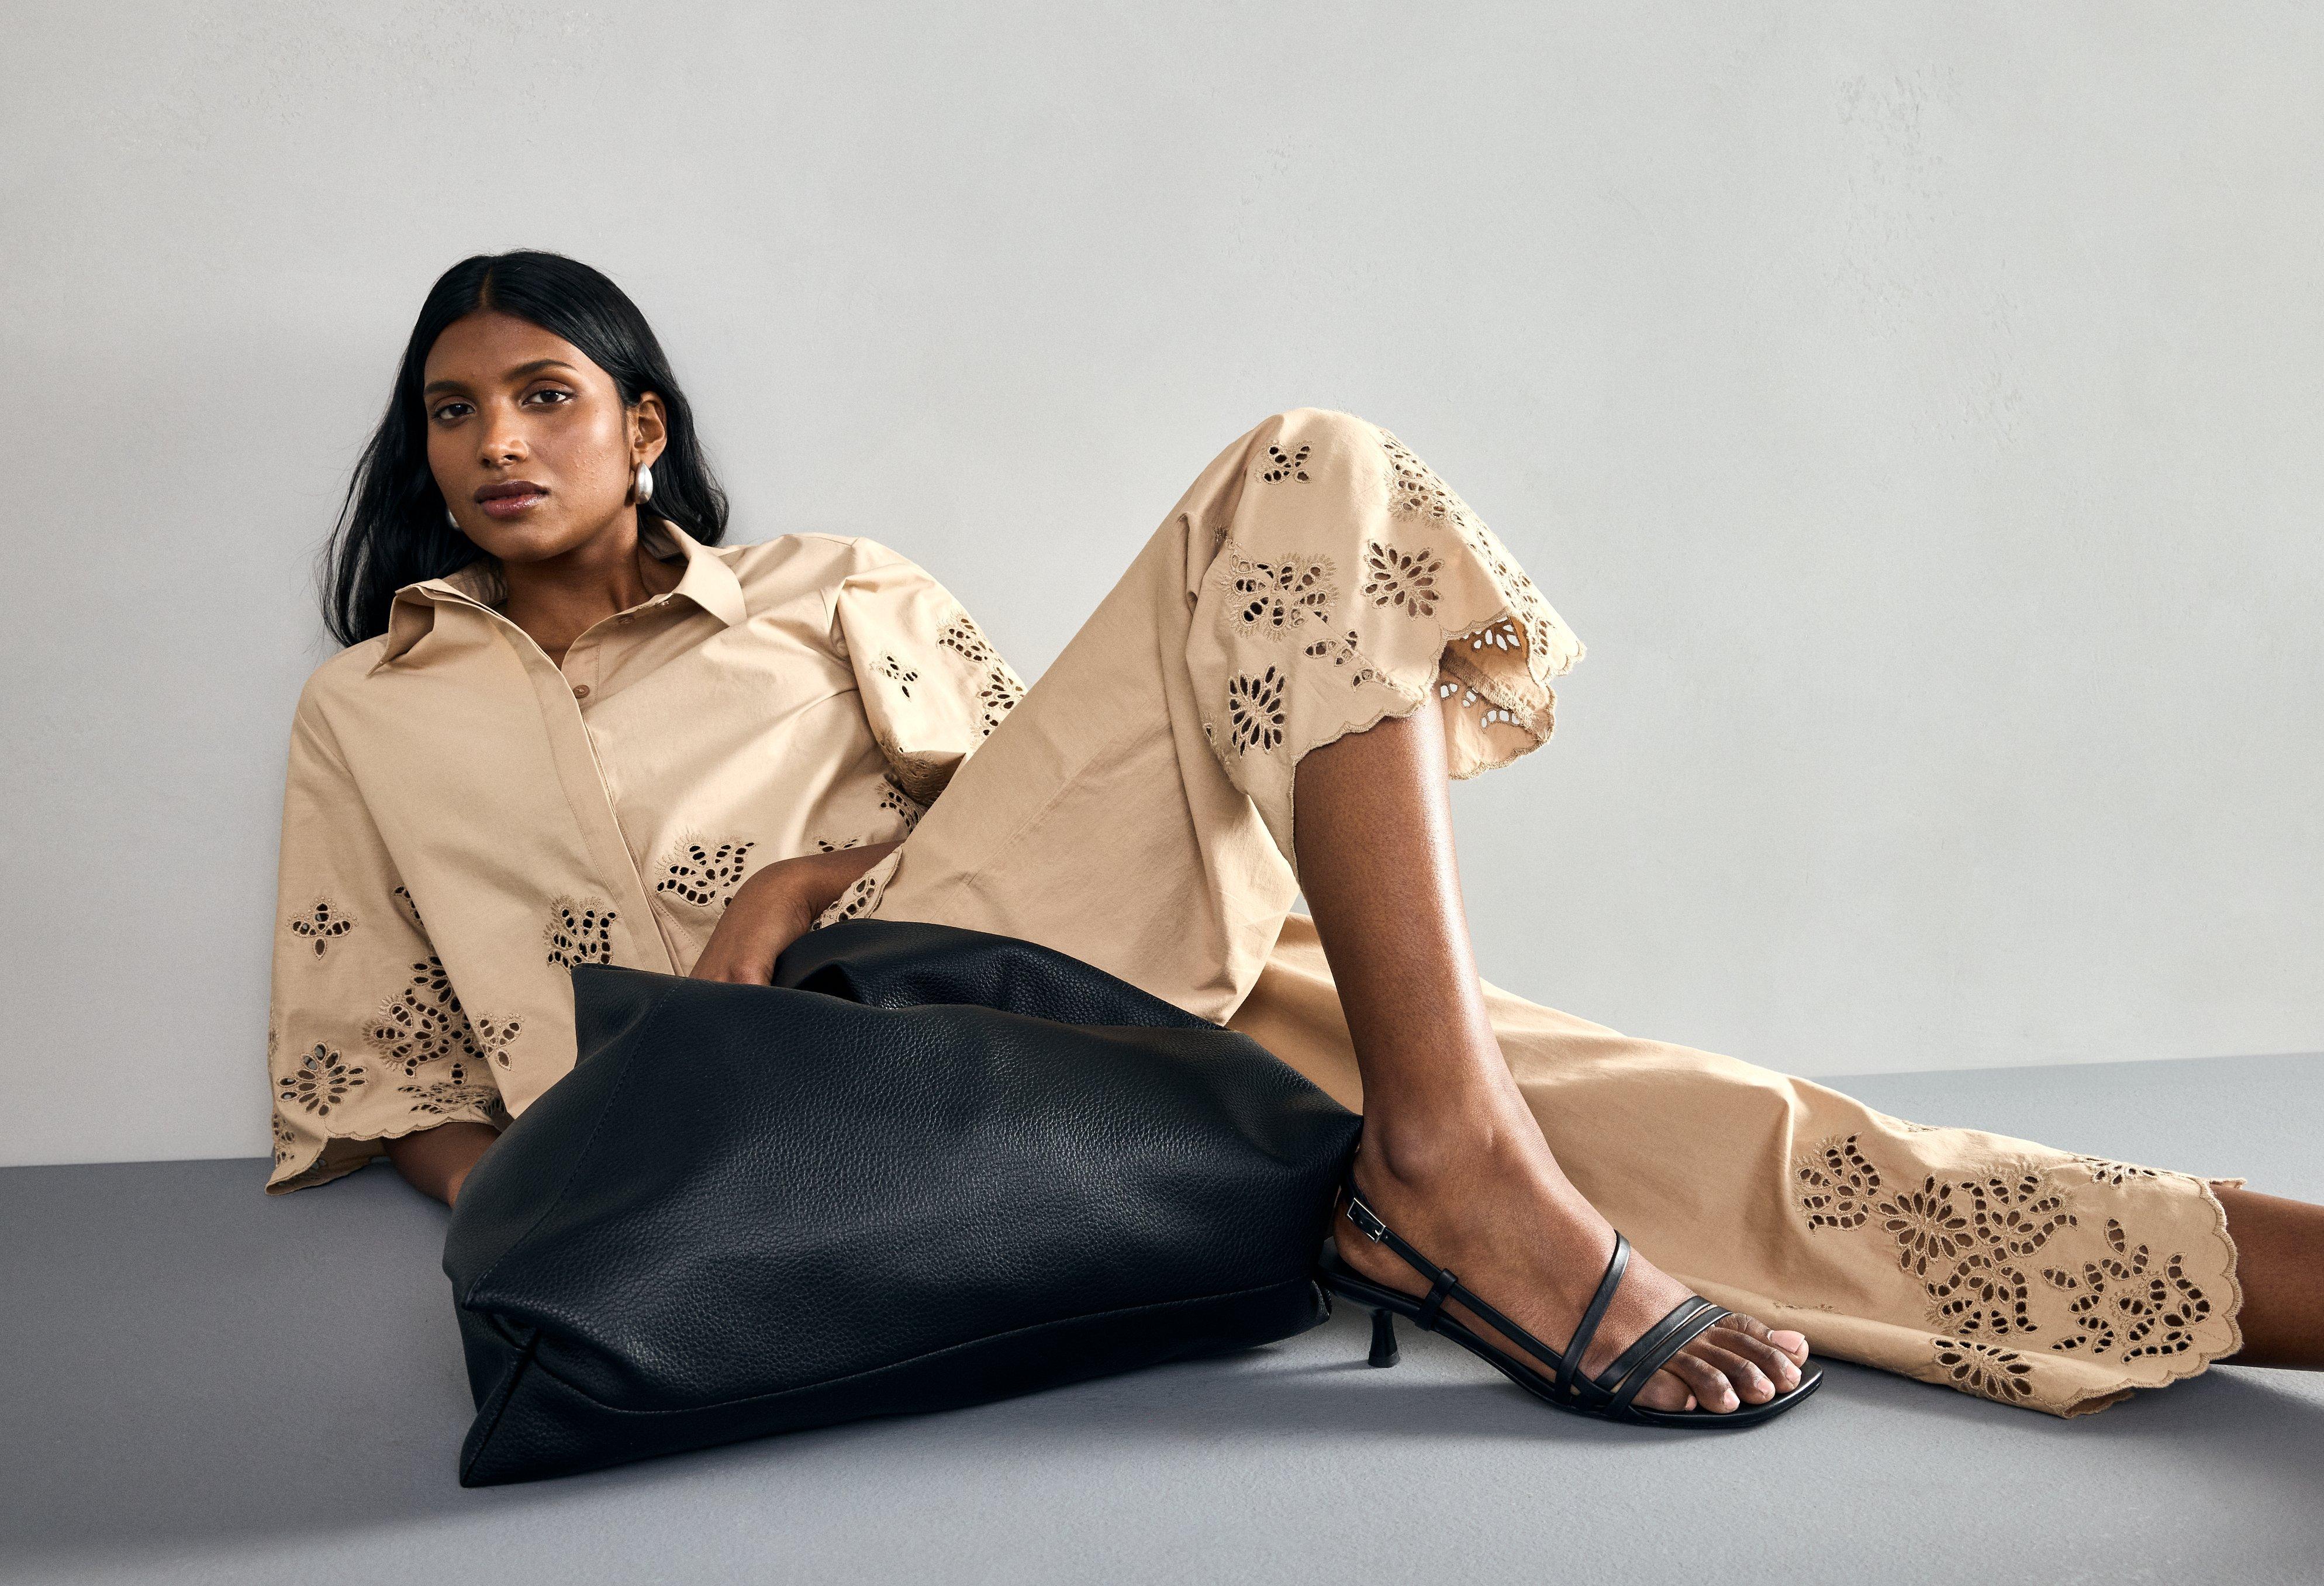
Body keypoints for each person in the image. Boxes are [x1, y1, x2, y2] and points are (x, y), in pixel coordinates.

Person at [265, 250, 2323, 1426]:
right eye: (452, 414)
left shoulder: (837, 593)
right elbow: (378, 1069)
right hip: (688, 1162)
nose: (498, 443)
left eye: (546, 395)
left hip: (972, 1039)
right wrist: (548, 1187)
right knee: (1512, 1097)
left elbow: (1055, 829)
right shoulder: (371, 707)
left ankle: (1454, 1149)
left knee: (1733, 1140)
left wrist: (801, 889)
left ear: (641, 426)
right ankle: (1454, 1155)